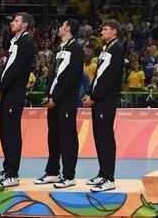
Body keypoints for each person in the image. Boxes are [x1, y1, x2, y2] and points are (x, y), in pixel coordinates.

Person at [36, 19, 84, 188]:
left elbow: (72, 79)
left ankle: (69, 175)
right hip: (53, 100)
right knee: (53, 136)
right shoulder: (59, 49)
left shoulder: (76, 48)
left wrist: (56, 98)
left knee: (67, 137)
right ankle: (52, 172)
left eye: (62, 26)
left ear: (68, 28)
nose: (59, 28)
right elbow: (52, 75)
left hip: (66, 101)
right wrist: (47, 95)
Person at [0, 12, 35, 187]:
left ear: (24, 25)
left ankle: (13, 174)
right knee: (4, 131)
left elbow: (16, 68)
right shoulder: (15, 41)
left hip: (15, 92)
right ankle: (7, 168)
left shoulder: (26, 41)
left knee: (11, 132)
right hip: (8, 91)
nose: (12, 23)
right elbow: (8, 66)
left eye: (16, 21)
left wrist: (1, 88)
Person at [84, 20, 125, 191]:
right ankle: (102, 173)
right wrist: (91, 93)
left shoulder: (117, 49)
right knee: (99, 137)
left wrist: (95, 96)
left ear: (114, 31)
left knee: (106, 138)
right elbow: (99, 75)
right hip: (98, 100)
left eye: (105, 29)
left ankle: (109, 178)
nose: (102, 32)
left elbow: (110, 78)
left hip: (106, 100)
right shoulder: (105, 49)